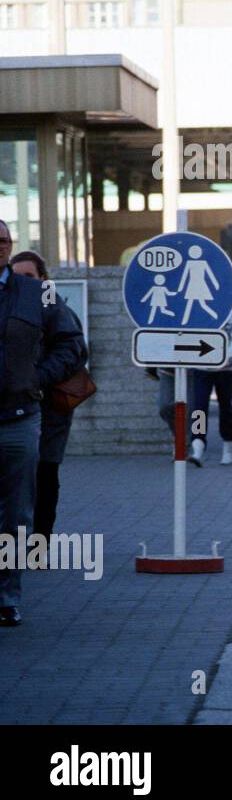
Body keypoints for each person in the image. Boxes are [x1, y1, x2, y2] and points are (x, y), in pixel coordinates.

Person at [0, 221, 86, 627]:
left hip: (18, 418)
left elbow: (72, 343)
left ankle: (6, 596)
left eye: (1, 241)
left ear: (9, 246)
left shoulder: (37, 293)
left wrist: (38, 376)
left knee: (16, 514)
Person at [9, 250, 87, 548]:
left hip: (50, 406)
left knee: (45, 471)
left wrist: (37, 377)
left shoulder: (54, 308)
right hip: (14, 407)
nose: (24, 282)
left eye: (30, 276)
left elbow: (74, 350)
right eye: (18, 277)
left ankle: (39, 544)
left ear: (43, 279)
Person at [188, 308, 232, 466]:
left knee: (225, 406)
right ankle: (198, 444)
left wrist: (227, 357)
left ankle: (228, 444)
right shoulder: (196, 310)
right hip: (201, 368)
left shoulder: (231, 312)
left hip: (225, 369)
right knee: (199, 408)